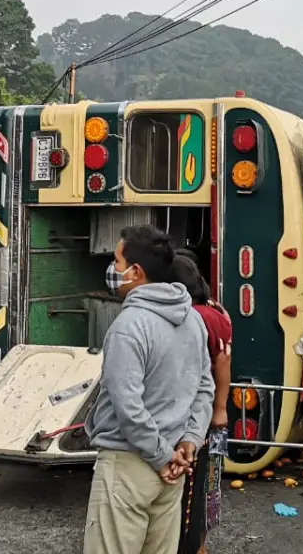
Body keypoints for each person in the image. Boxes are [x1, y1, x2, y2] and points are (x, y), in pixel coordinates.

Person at [84, 225, 214, 554]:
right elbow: (204, 388)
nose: (113, 270)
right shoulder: (193, 321)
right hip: (173, 470)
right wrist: (189, 442)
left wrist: (159, 456)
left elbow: (127, 406)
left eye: (116, 261)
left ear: (136, 271)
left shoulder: (129, 327)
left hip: (130, 466)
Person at [169, 251, 232, 554]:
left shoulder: (195, 317)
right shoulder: (215, 311)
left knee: (189, 491)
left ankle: (189, 546)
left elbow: (220, 364)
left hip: (196, 416)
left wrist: (217, 408)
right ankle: (200, 544)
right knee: (205, 487)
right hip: (207, 415)